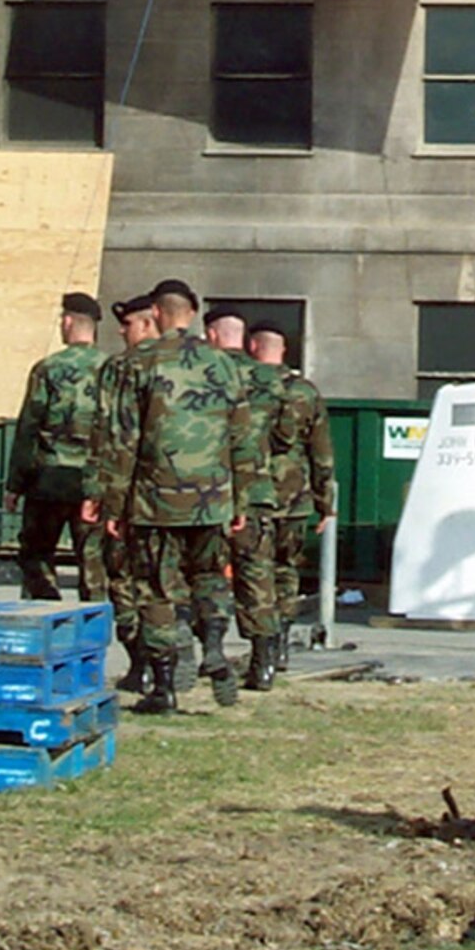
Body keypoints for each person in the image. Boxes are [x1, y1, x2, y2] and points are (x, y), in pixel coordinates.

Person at [99, 278, 256, 714]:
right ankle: (214, 648)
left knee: (156, 590)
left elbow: (122, 440)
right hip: (213, 498)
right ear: (192, 313)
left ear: (157, 312)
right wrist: (241, 500)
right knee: (209, 577)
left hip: (156, 500)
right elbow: (243, 436)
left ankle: (164, 686)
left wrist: (114, 503)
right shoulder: (223, 364)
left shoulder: (139, 362)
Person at [5, 292, 107, 602]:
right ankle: (92, 624)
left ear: (67, 322)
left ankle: (47, 609)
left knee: (37, 552)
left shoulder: (48, 368)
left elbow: (29, 428)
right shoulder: (114, 369)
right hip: (94, 481)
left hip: (48, 478)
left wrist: (15, 485)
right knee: (93, 560)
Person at [210, 306, 286, 692]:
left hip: (209, 491)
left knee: (202, 576)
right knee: (257, 579)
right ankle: (263, 662)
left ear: (211, 335)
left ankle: (209, 653)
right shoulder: (272, 380)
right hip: (256, 491)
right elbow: (286, 438)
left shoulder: (205, 372)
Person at [89, 293, 159, 692]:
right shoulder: (188, 364)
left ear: (148, 323)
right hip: (174, 498)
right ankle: (163, 660)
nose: (121, 331)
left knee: (122, 577)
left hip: (129, 495)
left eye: (128, 323)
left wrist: (100, 495)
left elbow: (110, 435)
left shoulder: (122, 368)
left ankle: (140, 662)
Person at [265, 324, 336, 668]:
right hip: (293, 498)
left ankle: (260, 646)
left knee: (253, 571)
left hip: (249, 497)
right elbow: (321, 454)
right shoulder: (305, 392)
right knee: (286, 570)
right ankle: (279, 640)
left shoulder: (242, 385)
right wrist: (326, 504)